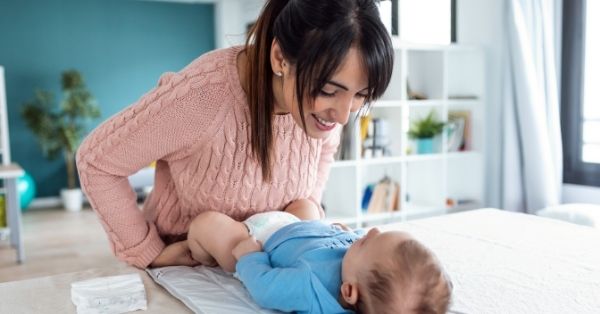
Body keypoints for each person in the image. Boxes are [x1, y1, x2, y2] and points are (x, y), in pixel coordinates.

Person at [76, 0, 394, 269]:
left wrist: (306, 210)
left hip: (264, 269)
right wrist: (149, 251)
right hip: (191, 270)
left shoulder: (325, 116)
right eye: (327, 91)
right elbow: (96, 161)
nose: (342, 115)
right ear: (280, 59)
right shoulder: (201, 97)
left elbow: (325, 147)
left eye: (359, 96)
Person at [184, 201, 452, 314]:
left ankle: (197, 254)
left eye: (366, 242)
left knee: (207, 225)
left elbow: (265, 288)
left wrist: (251, 257)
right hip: (300, 225)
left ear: (348, 291)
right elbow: (359, 243)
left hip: (259, 240)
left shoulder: (311, 289)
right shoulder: (361, 268)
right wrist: (350, 236)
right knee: (308, 204)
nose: (371, 230)